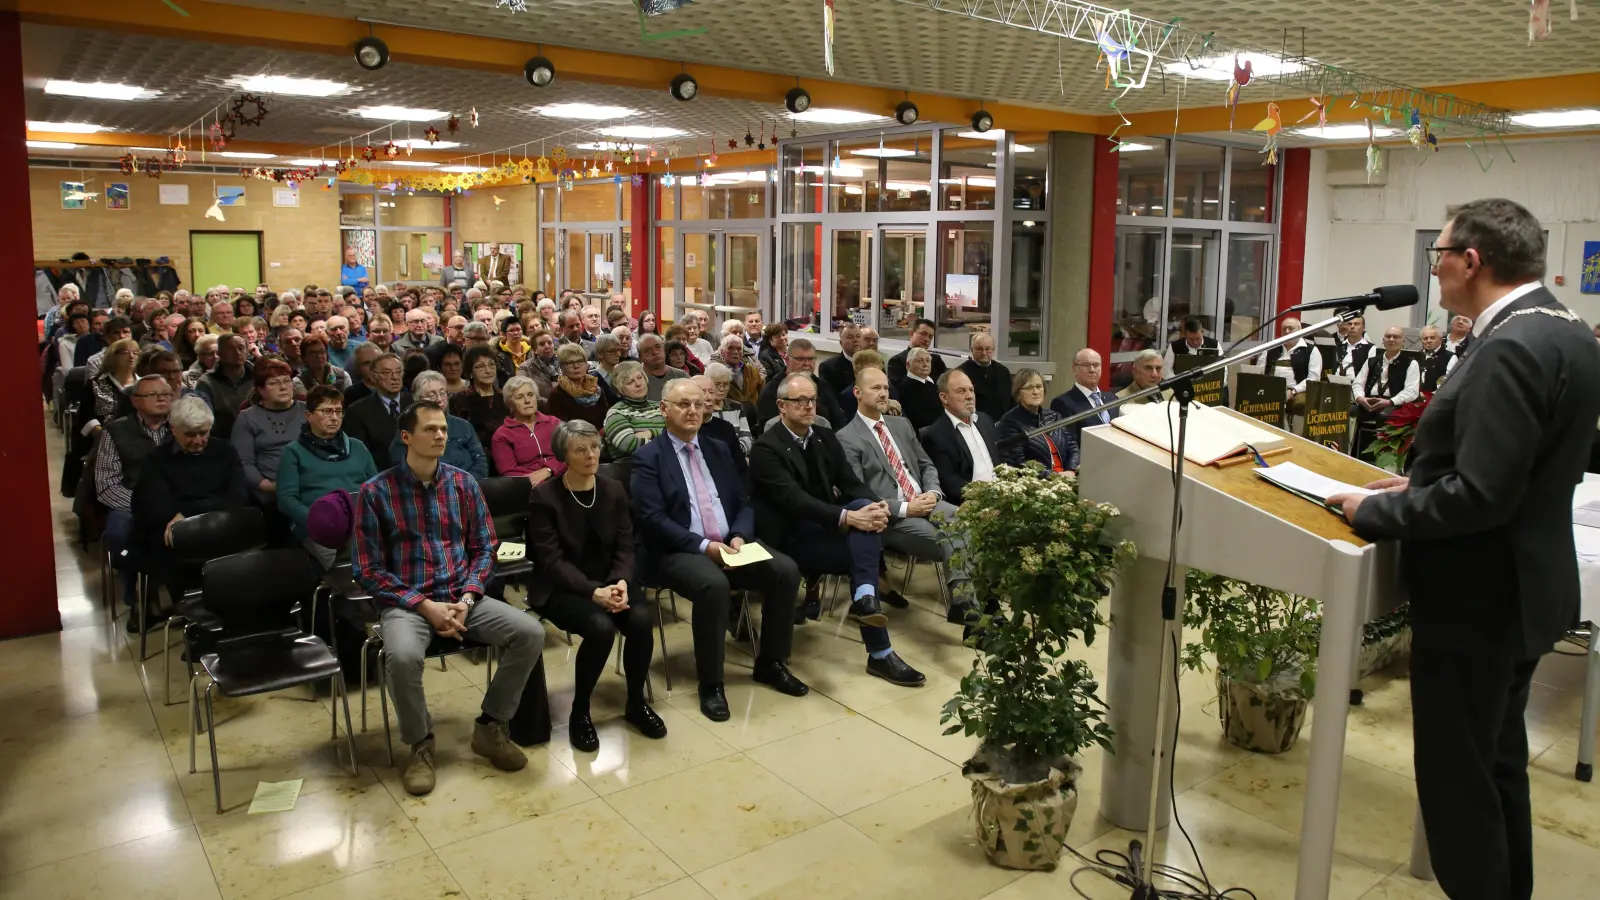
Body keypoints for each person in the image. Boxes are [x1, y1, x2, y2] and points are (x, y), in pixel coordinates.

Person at [1327, 199, 1600, 900]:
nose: (1435, 269)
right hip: (1522, 588)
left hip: (1478, 600)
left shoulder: (1508, 345)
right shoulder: (1563, 327)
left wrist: (1377, 509)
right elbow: (1516, 465)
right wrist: (1422, 480)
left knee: (1459, 788)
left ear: (1471, 260)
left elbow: (1482, 496)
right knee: (1497, 769)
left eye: (1439, 254)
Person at [353, 401, 544, 796]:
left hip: (461, 597)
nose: (440, 435)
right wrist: (424, 605)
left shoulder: (463, 484)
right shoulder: (376, 492)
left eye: (443, 428)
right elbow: (368, 569)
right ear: (406, 437)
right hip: (408, 603)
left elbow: (485, 549)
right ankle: (420, 743)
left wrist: (469, 597)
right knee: (402, 657)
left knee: (530, 633)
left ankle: (490, 727)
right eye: (430, 429)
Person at [633, 379, 809, 720]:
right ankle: (711, 683)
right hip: (677, 549)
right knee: (713, 586)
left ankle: (771, 662)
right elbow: (652, 520)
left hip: (730, 542)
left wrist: (739, 535)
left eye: (698, 404)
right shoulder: (648, 458)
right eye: (684, 404)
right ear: (664, 409)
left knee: (785, 571)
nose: (693, 411)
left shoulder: (718, 448)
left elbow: (744, 500)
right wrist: (704, 546)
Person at [750, 375, 926, 685]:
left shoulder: (823, 436)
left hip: (823, 529)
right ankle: (879, 648)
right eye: (800, 401)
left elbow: (849, 481)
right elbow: (794, 501)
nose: (808, 406)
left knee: (864, 512)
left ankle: (866, 602)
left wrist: (876, 506)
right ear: (781, 406)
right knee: (863, 537)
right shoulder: (766, 448)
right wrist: (847, 517)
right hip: (786, 538)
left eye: (812, 400)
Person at [525, 420, 662, 749]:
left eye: (594, 447)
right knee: (600, 628)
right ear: (564, 455)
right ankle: (580, 711)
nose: (591, 455)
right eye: (580, 450)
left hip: (610, 580)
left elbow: (626, 545)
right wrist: (592, 591)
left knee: (640, 619)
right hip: (563, 587)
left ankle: (635, 701)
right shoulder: (545, 496)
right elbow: (551, 561)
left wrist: (621, 582)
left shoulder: (612, 489)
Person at [840, 364, 973, 613]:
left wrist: (933, 492)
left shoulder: (901, 425)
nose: (883, 393)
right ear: (857, 392)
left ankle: (965, 605)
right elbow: (858, 493)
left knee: (969, 523)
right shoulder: (847, 437)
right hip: (893, 516)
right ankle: (966, 606)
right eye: (875, 388)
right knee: (951, 539)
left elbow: (926, 465)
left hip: (926, 500)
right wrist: (906, 508)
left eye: (886, 388)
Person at [132, 397, 250, 608]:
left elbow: (238, 496)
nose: (197, 440)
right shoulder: (157, 459)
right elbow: (155, 503)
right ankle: (188, 608)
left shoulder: (225, 451)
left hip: (221, 526)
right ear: (174, 429)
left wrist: (187, 513)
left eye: (203, 433)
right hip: (176, 536)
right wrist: (194, 512)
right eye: (189, 434)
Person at [95, 374, 172, 628]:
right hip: (129, 504)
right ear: (136, 401)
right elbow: (107, 485)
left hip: (175, 502)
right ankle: (137, 597)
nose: (161, 399)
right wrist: (143, 506)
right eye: (153, 395)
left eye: (166, 394)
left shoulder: (181, 426)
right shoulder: (115, 431)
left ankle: (185, 594)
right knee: (121, 533)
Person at [276, 385, 378, 569]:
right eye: (327, 411)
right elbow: (286, 500)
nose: (334, 417)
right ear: (308, 415)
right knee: (353, 564)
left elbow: (376, 488)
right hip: (320, 527)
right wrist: (319, 522)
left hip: (361, 524)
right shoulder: (293, 452)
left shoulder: (357, 447)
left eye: (338, 411)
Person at [919, 369, 999, 506]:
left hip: (1002, 495)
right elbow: (950, 483)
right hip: (973, 503)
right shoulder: (936, 435)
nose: (969, 396)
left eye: (971, 390)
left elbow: (1001, 459)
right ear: (944, 398)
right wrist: (986, 496)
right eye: (961, 391)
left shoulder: (985, 420)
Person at [232, 359, 304, 507]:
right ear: (260, 389)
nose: (283, 387)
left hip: (309, 487)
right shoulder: (247, 418)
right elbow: (244, 462)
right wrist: (268, 486)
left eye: (286, 381)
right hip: (269, 495)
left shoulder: (308, 411)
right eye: (274, 383)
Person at [392, 372, 488, 480]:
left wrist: (464, 483)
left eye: (442, 393)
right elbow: (400, 464)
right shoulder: (409, 427)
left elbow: (480, 462)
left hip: (468, 484)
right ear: (417, 400)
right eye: (431, 395)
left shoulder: (463, 426)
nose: (439, 399)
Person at [1351, 326, 1422, 457]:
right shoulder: (1372, 361)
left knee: (1384, 414)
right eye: (1388, 336)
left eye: (1396, 337)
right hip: (1369, 401)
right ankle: (1351, 451)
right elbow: (1357, 383)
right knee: (1348, 411)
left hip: (1395, 404)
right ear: (1383, 340)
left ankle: (1383, 457)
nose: (1391, 339)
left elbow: (1412, 391)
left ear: (1403, 341)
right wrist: (1360, 398)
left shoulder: (1411, 363)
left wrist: (1390, 402)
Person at [1001, 368, 1078, 472]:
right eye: (1029, 388)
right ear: (1018, 394)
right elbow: (1019, 462)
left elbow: (1072, 447)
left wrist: (1071, 470)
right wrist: (1052, 476)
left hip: (1067, 475)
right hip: (1040, 480)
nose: (1035, 392)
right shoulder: (1010, 422)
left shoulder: (1054, 416)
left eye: (1039, 387)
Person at [756, 338, 842, 430]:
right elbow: (768, 427)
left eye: (810, 359)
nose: (806, 364)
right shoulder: (772, 389)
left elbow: (838, 420)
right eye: (800, 359)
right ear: (787, 360)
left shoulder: (822, 386)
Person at [343, 353, 410, 470]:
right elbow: (358, 456)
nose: (395, 377)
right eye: (387, 373)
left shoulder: (416, 404)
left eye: (398, 371)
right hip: (380, 474)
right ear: (373, 377)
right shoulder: (358, 411)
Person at [490, 376, 563, 482]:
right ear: (510, 404)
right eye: (520, 397)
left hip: (562, 477)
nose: (527, 401)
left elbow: (569, 454)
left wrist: (548, 470)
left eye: (530, 395)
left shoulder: (554, 423)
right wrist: (534, 479)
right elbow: (508, 472)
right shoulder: (502, 435)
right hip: (529, 485)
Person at [1050, 348, 1120, 453]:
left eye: (1096, 365)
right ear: (1074, 369)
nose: (1092, 370)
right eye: (1086, 365)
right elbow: (1069, 446)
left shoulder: (1112, 398)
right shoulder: (1062, 403)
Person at [1255, 318, 1322, 414]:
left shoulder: (1311, 350)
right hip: (1271, 389)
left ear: (1300, 331)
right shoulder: (1270, 348)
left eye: (1291, 328)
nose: (1287, 331)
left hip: (1298, 391)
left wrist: (1293, 391)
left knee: (1302, 404)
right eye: (1284, 329)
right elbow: (1259, 372)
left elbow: (1313, 378)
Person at [196, 333, 255, 441]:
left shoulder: (258, 376)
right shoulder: (206, 382)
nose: (237, 352)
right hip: (221, 440)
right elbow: (202, 419)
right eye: (230, 349)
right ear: (219, 354)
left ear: (247, 351)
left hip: (257, 436)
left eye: (241, 348)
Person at [602, 361, 665, 459]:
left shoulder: (660, 406)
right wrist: (667, 443)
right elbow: (629, 444)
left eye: (640, 377)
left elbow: (679, 433)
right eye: (630, 382)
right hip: (631, 466)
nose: (638, 384)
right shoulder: (616, 412)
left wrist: (650, 433)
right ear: (620, 390)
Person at [451, 346, 510, 451]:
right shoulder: (460, 400)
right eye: (480, 366)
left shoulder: (505, 397)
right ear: (470, 372)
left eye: (492, 365)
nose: (488, 371)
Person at [544, 342, 610, 429]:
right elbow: (557, 427)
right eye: (570, 363)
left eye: (580, 361)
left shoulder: (596, 390)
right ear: (562, 367)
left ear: (586, 364)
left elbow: (607, 418)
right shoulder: (557, 394)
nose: (576, 366)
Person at [84, 338, 140, 439]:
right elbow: (86, 416)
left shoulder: (144, 384)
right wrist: (104, 436)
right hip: (101, 437)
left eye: (135, 353)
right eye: (125, 353)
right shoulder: (95, 383)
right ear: (113, 356)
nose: (132, 356)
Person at [957, 332, 1013, 422]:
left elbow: (1011, 401)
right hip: (975, 423)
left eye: (987, 349)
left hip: (1003, 423)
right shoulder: (961, 374)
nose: (984, 353)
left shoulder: (1003, 371)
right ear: (971, 349)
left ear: (993, 350)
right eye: (979, 349)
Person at [702, 364, 755, 456]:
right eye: (717, 384)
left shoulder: (736, 406)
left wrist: (733, 453)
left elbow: (747, 438)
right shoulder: (703, 410)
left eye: (725, 384)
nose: (722, 389)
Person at [887, 319, 948, 386]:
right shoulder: (897, 361)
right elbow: (897, 389)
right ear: (911, 334)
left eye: (930, 337)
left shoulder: (936, 360)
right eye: (923, 334)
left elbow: (948, 382)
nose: (927, 339)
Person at [897, 347, 943, 433]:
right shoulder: (905, 388)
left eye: (928, 360)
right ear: (908, 365)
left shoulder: (932, 384)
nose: (925, 364)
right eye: (919, 361)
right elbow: (918, 419)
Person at [292, 334, 352, 398]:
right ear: (304, 357)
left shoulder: (343, 375)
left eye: (322, 352)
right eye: (312, 353)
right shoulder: (298, 381)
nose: (319, 356)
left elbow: (349, 401)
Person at [712, 334, 764, 407]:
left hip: (753, 411)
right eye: (730, 348)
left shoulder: (752, 371)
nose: (735, 352)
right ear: (722, 352)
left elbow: (762, 394)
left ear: (742, 353)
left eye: (739, 349)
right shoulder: (716, 373)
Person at [637, 334, 688, 401]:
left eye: (658, 347)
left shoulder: (681, 376)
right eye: (647, 350)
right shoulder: (636, 380)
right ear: (640, 357)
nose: (654, 352)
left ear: (664, 350)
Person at [817, 323, 861, 395]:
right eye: (850, 337)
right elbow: (829, 397)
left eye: (858, 336)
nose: (856, 340)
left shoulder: (871, 362)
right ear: (841, 343)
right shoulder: (828, 367)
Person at [517, 329, 561, 397]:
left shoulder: (563, 361)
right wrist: (550, 402)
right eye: (542, 344)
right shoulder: (524, 368)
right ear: (535, 350)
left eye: (549, 343)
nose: (547, 346)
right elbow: (526, 394)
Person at [1417, 325, 1458, 392]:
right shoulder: (1417, 356)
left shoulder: (1450, 357)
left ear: (1441, 339)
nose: (1429, 341)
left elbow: (1450, 383)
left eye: (1432, 338)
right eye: (1425, 338)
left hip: (1438, 396)